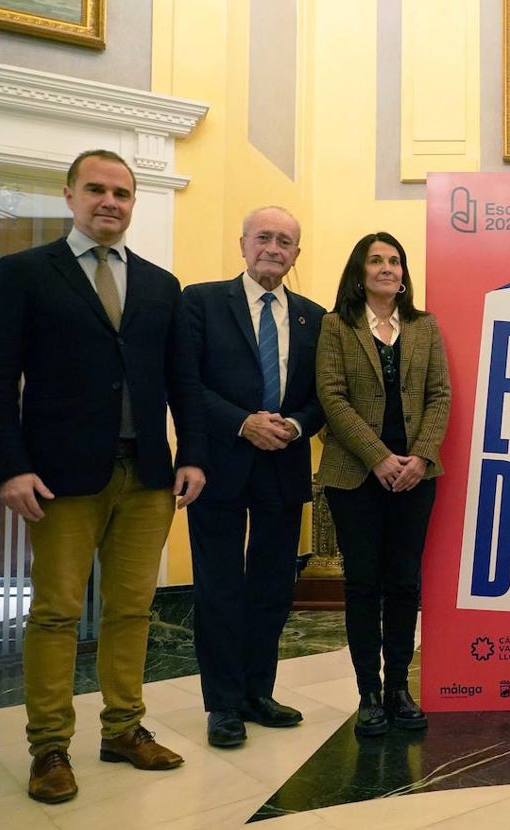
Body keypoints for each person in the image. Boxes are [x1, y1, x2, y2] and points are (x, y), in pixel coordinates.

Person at [0, 149, 206, 803]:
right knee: (57, 614)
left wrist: (192, 454)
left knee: (133, 610)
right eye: (96, 189)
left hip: (146, 476)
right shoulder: (24, 274)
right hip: (59, 477)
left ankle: (123, 728)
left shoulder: (158, 285)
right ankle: (49, 747)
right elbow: (0, 380)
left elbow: (181, 383)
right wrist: (11, 467)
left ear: (133, 202)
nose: (109, 201)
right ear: (69, 196)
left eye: (122, 192)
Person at [182, 207, 326, 748]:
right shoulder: (201, 301)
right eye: (264, 237)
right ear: (242, 243)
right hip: (218, 465)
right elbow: (187, 383)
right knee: (218, 587)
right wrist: (242, 423)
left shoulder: (316, 317)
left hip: (283, 467)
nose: (273, 247)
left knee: (271, 587)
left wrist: (293, 424)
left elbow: (322, 398)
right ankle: (222, 705)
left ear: (296, 254)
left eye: (285, 241)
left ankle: (256, 692)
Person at [316, 232, 451, 735]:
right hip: (356, 476)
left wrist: (419, 457)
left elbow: (439, 395)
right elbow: (331, 398)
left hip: (416, 476)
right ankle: (368, 694)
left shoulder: (424, 327)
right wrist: (378, 458)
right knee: (362, 583)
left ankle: (398, 686)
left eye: (394, 261)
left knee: (404, 582)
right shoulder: (336, 327)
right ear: (360, 271)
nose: (387, 268)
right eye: (376, 261)